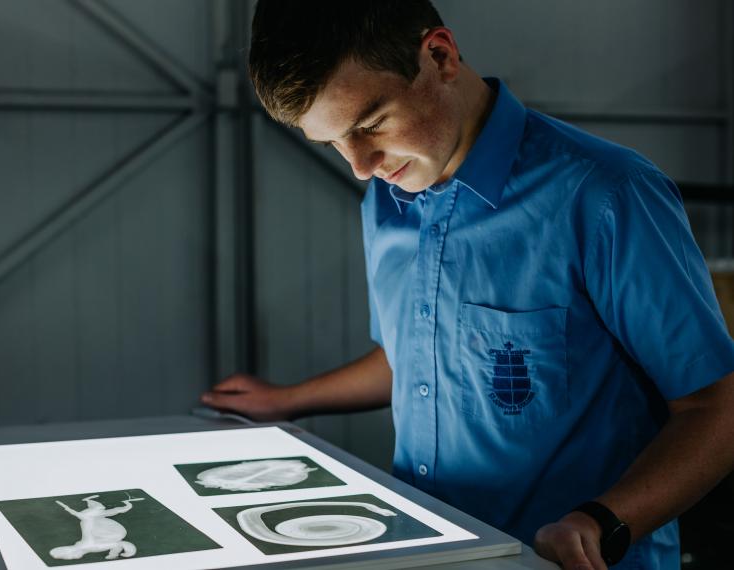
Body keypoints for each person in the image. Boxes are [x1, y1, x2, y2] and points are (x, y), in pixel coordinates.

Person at [201, 1, 734, 568]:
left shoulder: (605, 196)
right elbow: (415, 360)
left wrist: (601, 520)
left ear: (440, 56)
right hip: (430, 554)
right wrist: (287, 400)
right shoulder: (386, 204)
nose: (360, 165)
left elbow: (716, 408)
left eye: (371, 124)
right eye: (334, 142)